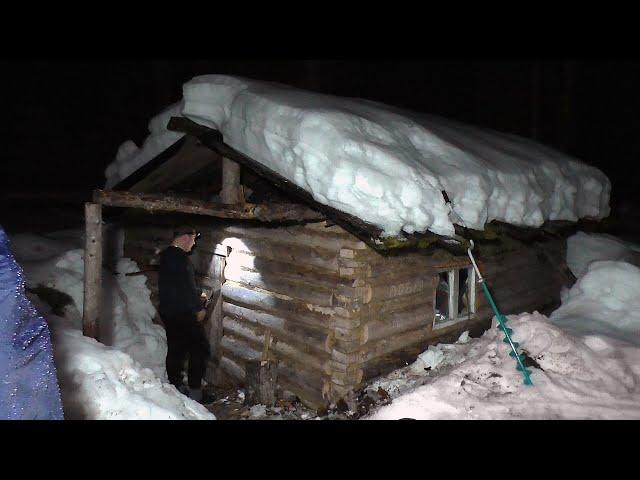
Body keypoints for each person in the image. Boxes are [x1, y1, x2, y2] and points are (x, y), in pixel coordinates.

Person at [158, 224, 211, 403]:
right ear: (185, 237)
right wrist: (198, 308)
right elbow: (185, 287)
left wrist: (197, 293)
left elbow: (178, 285)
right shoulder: (180, 258)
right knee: (200, 348)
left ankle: (176, 388)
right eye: (193, 238)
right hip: (182, 312)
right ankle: (196, 393)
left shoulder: (167, 256)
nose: (194, 243)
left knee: (176, 350)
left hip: (169, 311)